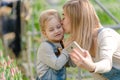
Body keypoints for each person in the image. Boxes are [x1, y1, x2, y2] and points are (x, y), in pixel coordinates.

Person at [62, 0, 120, 80]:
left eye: (64, 17)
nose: (61, 22)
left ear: (76, 18)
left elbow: (107, 64)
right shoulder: (83, 42)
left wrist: (91, 66)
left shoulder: (106, 36)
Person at [36, 9, 71, 80]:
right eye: (51, 30)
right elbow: (57, 65)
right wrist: (67, 50)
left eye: (58, 27)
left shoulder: (60, 44)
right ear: (45, 33)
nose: (56, 31)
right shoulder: (45, 47)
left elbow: (66, 63)